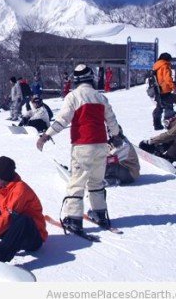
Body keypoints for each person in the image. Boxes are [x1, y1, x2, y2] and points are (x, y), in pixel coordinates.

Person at [37, 64, 122, 231]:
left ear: (76, 80)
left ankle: (74, 219)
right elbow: (112, 120)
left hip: (83, 145)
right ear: (91, 77)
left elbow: (62, 120)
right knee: (97, 181)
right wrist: (115, 135)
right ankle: (100, 213)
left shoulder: (73, 96)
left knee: (77, 182)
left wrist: (46, 136)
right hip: (101, 144)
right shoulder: (100, 97)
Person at [152, 53, 175, 130]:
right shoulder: (165, 66)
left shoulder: (156, 66)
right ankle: (169, 124)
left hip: (158, 89)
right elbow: (167, 78)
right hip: (165, 89)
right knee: (169, 106)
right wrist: (173, 86)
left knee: (160, 106)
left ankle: (157, 123)